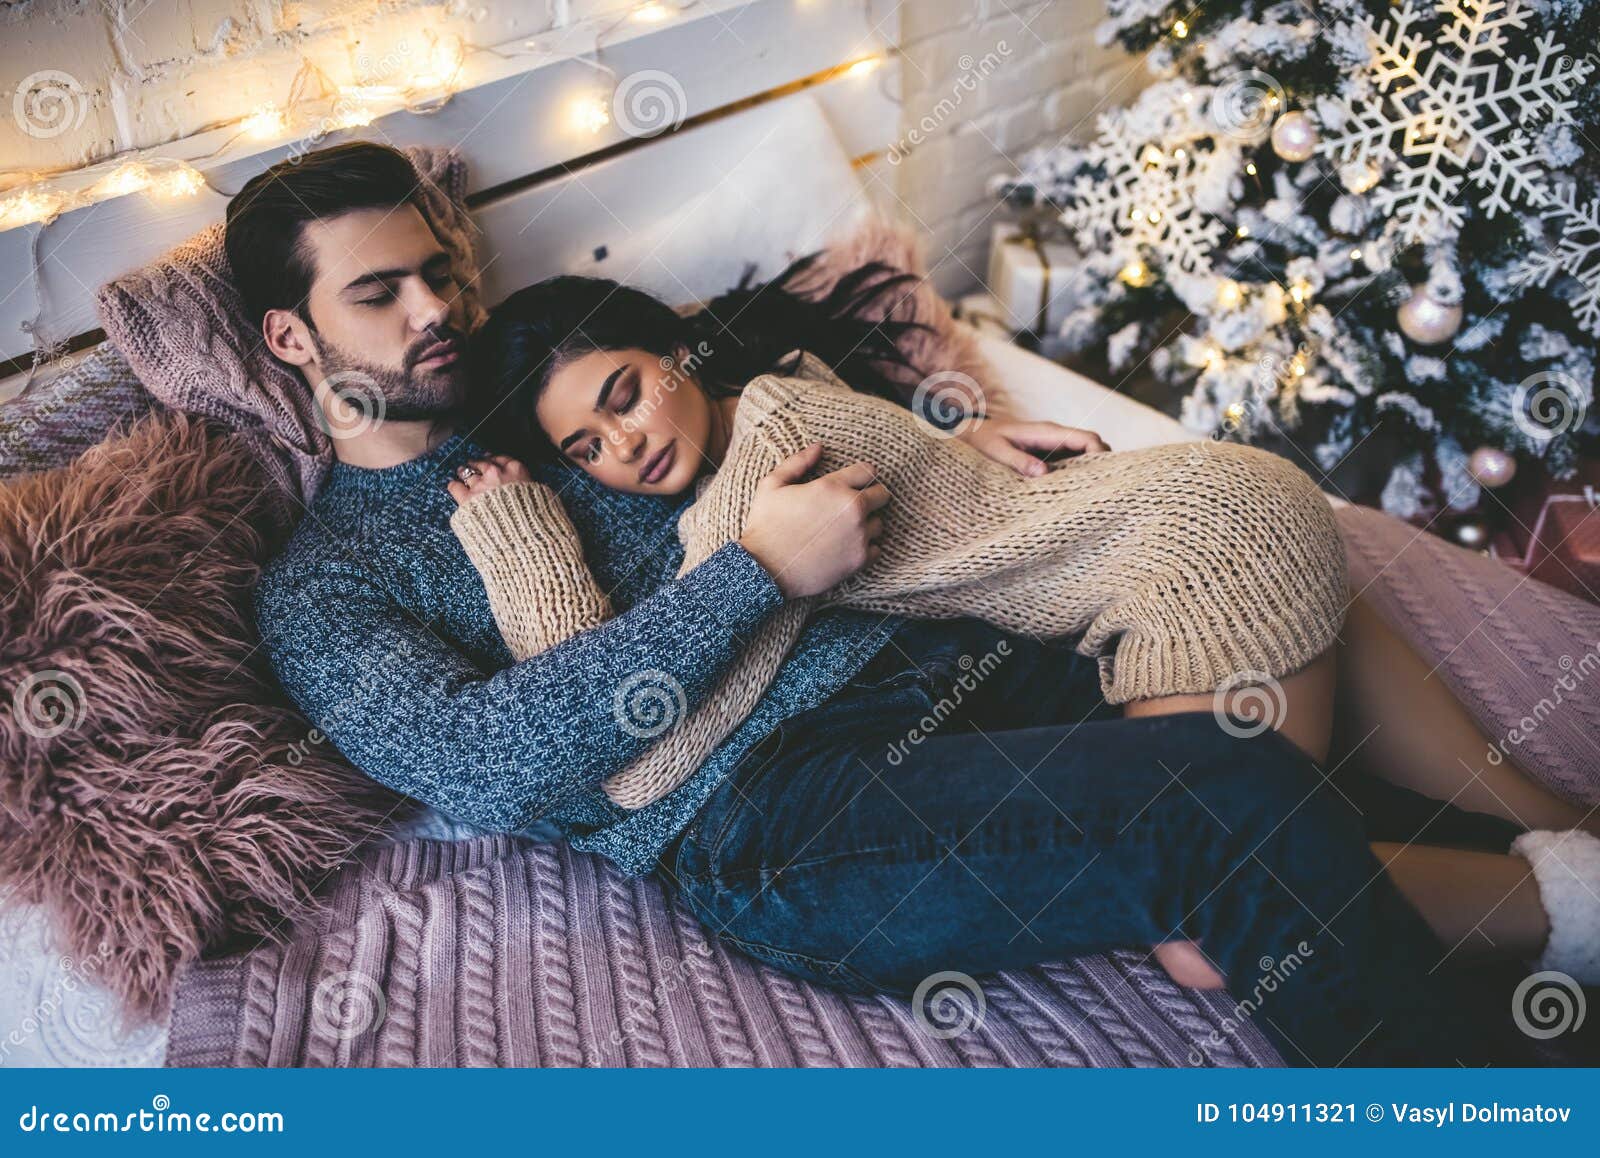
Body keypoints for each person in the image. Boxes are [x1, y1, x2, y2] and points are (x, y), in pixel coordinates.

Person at [233, 141, 1593, 1067]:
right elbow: (491, 768)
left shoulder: (543, 373)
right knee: (1217, 793)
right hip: (777, 810)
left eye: (441, 271)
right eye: (381, 294)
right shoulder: (329, 586)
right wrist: (756, 573)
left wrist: (937, 456)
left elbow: (754, 385)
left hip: (940, 659)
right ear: (293, 338)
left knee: (1249, 588)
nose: (437, 309)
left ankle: (1553, 860)